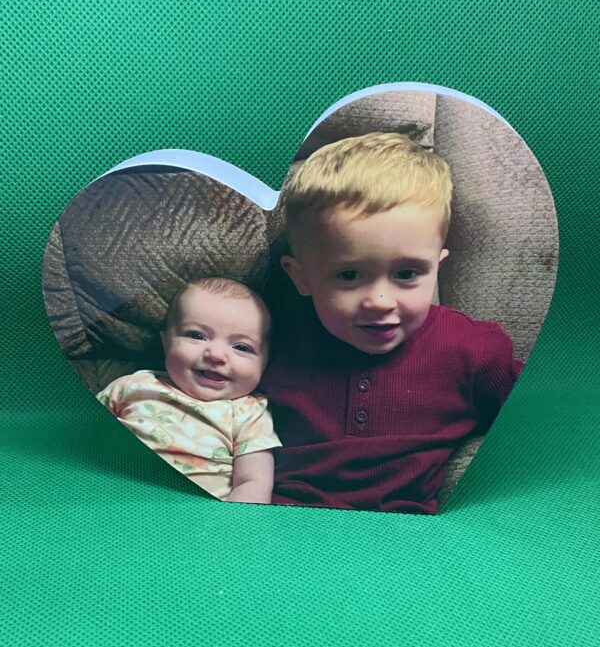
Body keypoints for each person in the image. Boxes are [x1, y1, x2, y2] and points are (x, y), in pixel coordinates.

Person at [260, 131, 524, 514]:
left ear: (436, 269)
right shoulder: (272, 342)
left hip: (406, 535)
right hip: (282, 522)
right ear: (301, 277)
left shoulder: (472, 349)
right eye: (349, 276)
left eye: (406, 273)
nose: (380, 302)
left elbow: (546, 424)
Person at [97, 277, 281, 504]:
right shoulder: (132, 385)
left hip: (199, 522)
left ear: (265, 362)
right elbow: (79, 436)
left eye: (241, 347)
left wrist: (234, 530)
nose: (216, 354)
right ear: (166, 342)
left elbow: (254, 482)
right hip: (107, 502)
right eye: (196, 335)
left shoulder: (248, 412)